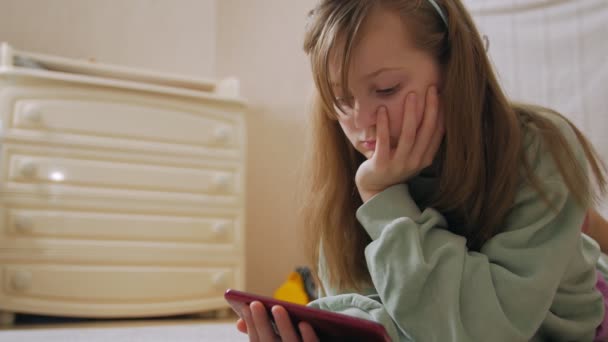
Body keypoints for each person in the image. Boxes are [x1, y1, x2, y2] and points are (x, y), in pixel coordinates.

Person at [235, 0, 608, 341]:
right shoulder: (347, 168)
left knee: (578, 229)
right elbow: (382, 311)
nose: (362, 121)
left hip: (572, 310)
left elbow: (482, 332)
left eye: (386, 89)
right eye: (341, 100)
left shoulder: (537, 146)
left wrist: (384, 201)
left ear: (454, 67)